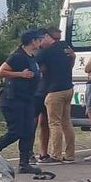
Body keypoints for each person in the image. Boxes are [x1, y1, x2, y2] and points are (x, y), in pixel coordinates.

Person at [0, 28, 46, 174]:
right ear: (32, 41)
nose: (41, 42)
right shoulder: (17, 56)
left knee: (28, 131)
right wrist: (20, 74)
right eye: (39, 40)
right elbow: (0, 72)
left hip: (27, 99)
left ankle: (24, 163)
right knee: (15, 132)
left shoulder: (32, 57)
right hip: (13, 99)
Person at [38, 26, 77, 163]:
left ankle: (56, 155)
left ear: (46, 36)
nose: (39, 44)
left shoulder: (46, 52)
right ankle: (70, 154)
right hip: (68, 88)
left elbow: (36, 65)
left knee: (54, 123)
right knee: (66, 122)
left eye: (40, 40)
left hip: (54, 91)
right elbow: (70, 61)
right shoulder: (64, 46)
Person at [32, 31, 53, 163]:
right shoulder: (33, 54)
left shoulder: (49, 52)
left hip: (47, 90)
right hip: (35, 92)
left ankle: (43, 152)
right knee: (32, 123)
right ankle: (28, 152)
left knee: (45, 123)